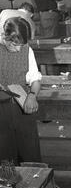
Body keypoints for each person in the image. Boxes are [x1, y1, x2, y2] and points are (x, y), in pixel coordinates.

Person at [0, 17, 42, 164]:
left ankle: (36, 183)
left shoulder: (26, 49)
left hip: (22, 105)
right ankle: (8, 185)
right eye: (14, 44)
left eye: (21, 45)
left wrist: (32, 95)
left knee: (31, 152)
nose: (18, 49)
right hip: (2, 110)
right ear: (5, 37)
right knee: (5, 156)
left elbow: (35, 78)